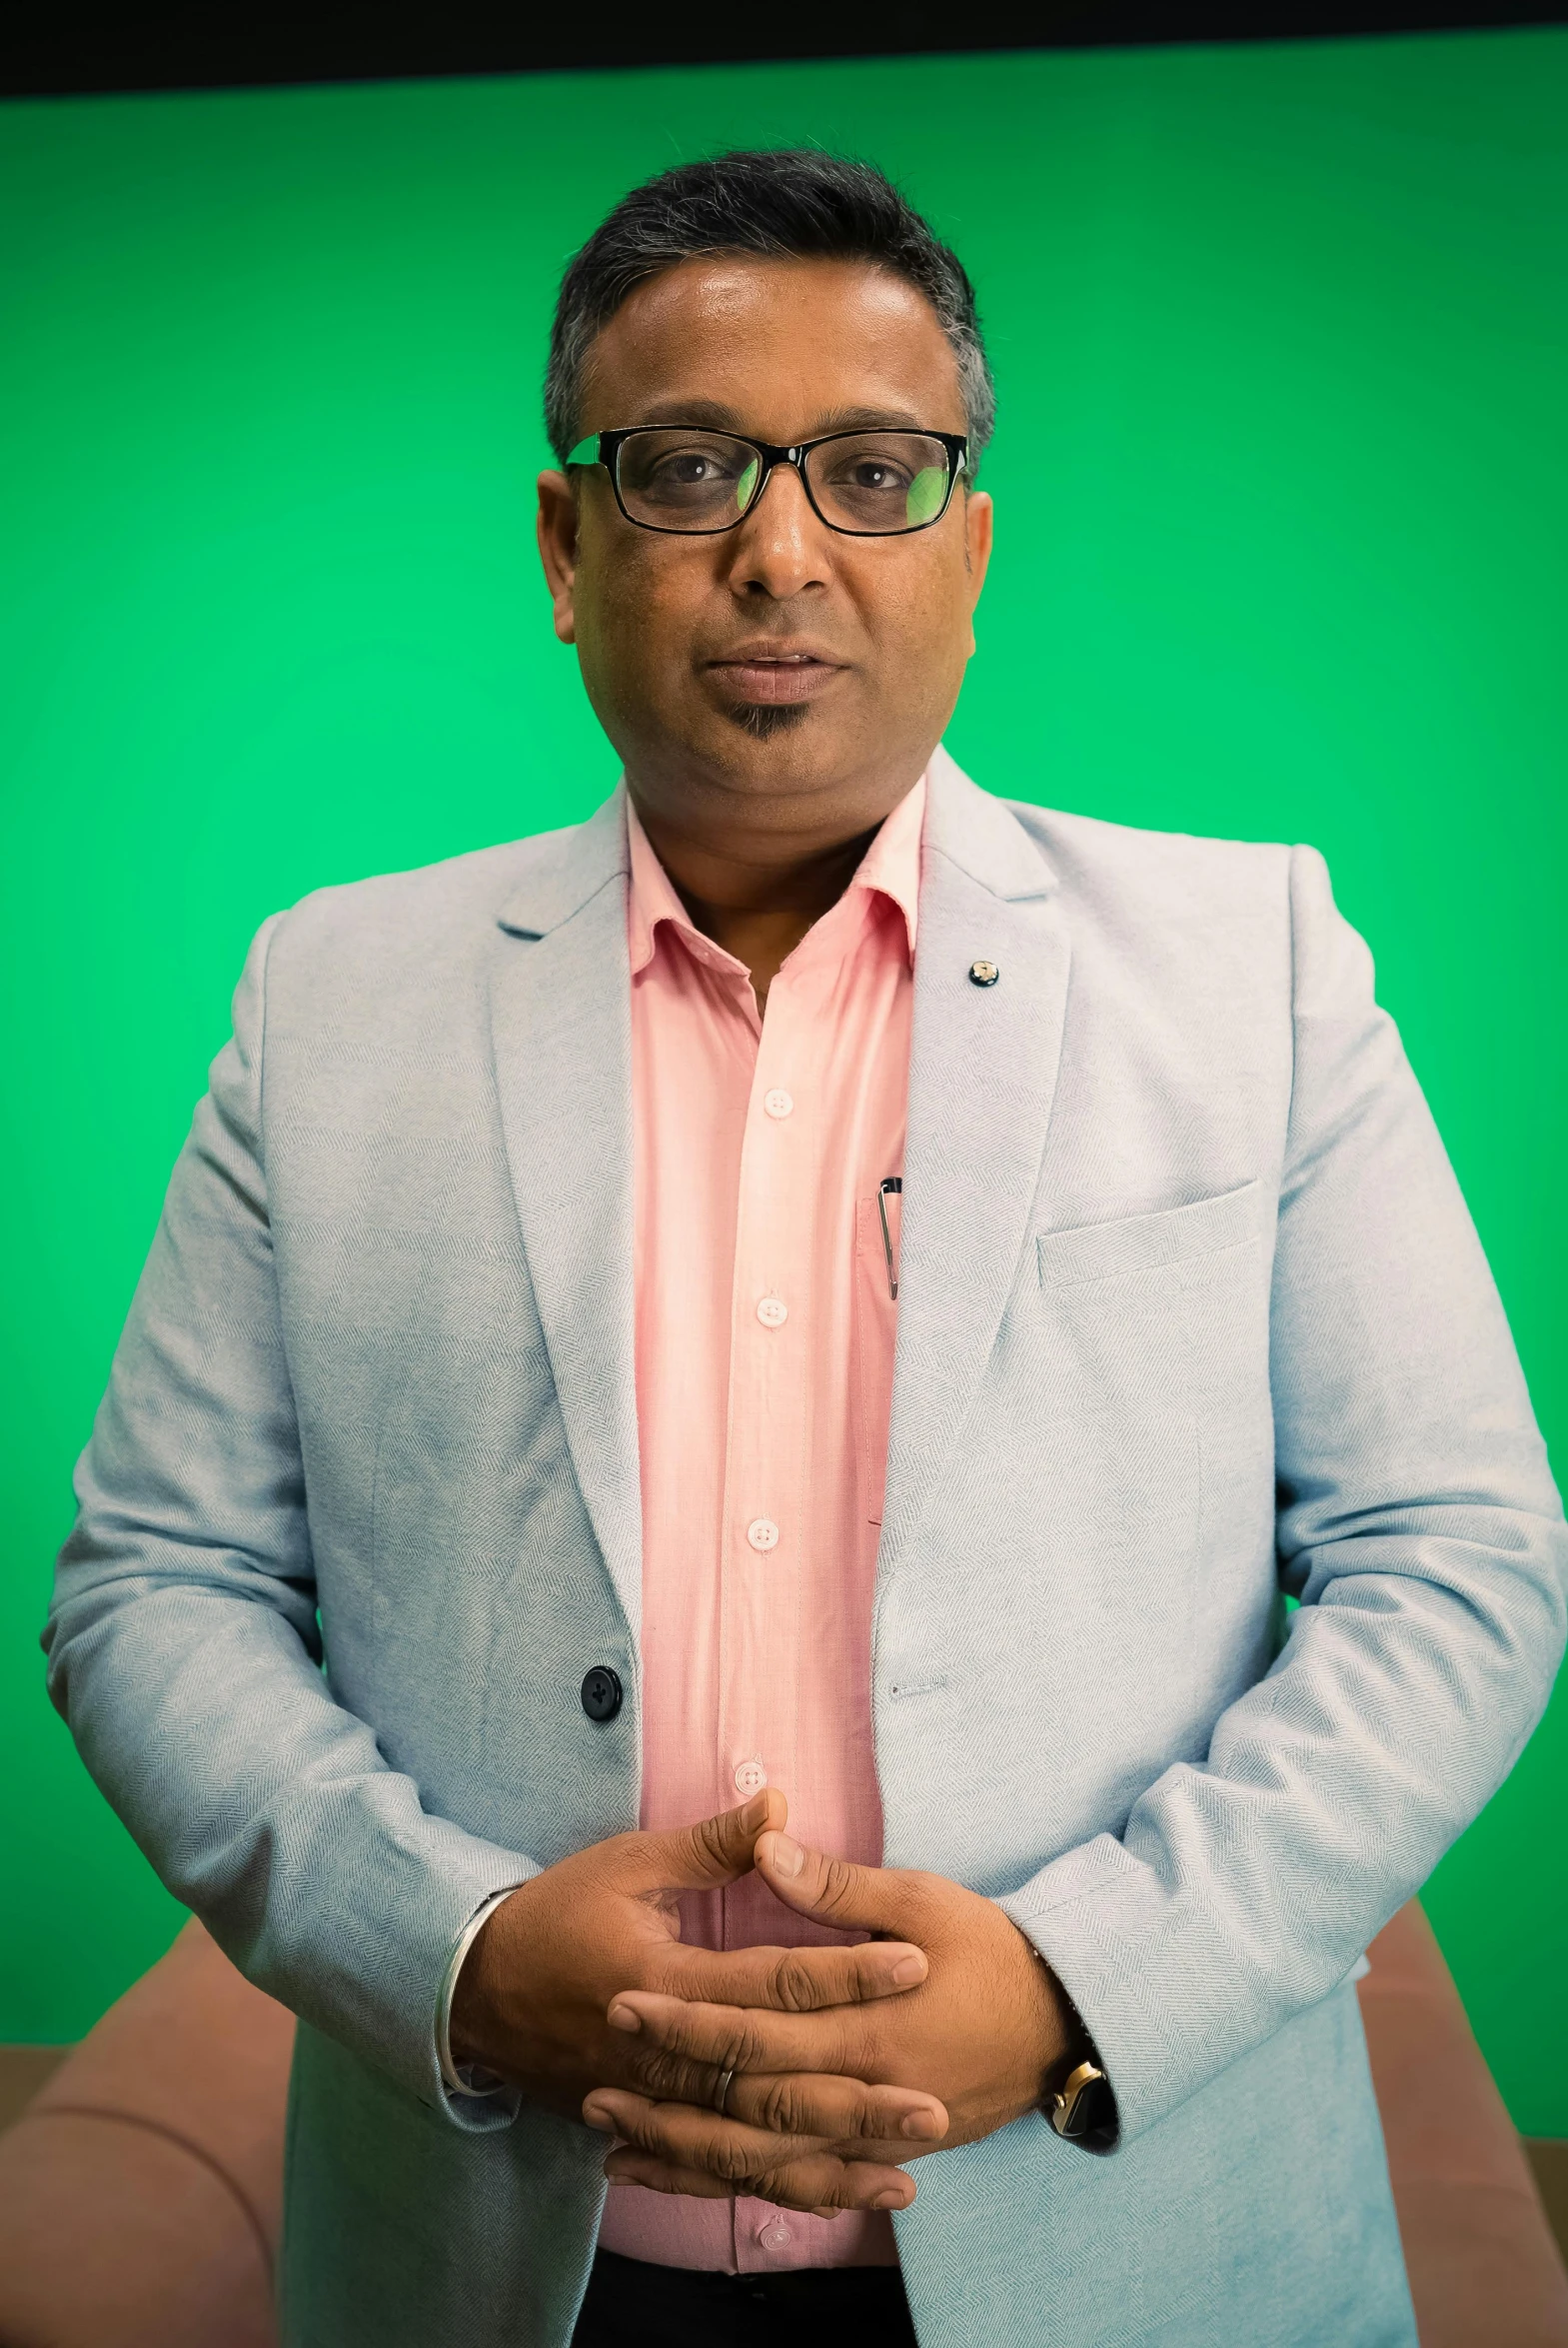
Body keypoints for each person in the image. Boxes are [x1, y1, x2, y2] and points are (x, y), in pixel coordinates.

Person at [45, 149, 1565, 2348]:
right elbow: (148, 1584)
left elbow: (1461, 1555)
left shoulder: (1256, 966)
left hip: (1124, 2244)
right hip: (505, 2273)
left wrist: (1068, 1987)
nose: (777, 547)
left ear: (965, 550)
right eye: (686, 468)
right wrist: (456, 1952)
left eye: (868, 471)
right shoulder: (327, 998)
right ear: (568, 548)